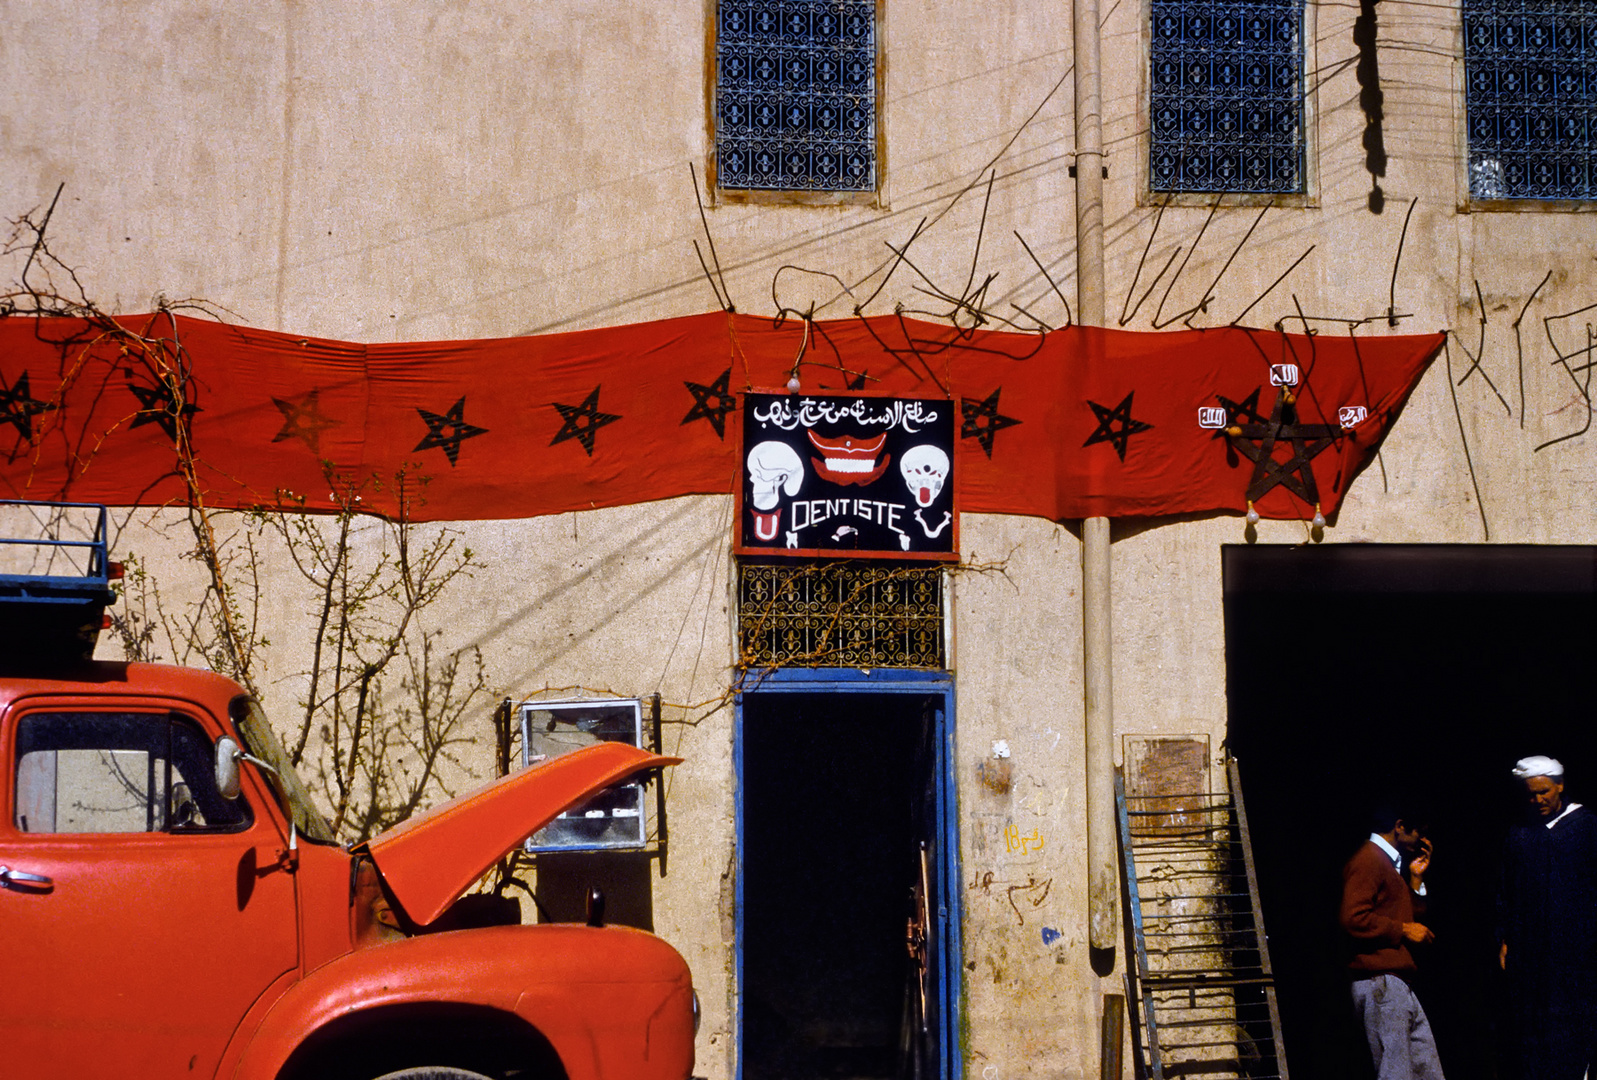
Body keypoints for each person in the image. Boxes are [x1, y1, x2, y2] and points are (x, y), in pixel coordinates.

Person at [1497, 755, 1597, 1080]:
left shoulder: (1584, 827)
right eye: (1530, 794)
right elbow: (1507, 890)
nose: (1538, 800)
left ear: (1560, 787)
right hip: (1532, 949)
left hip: (1576, 947)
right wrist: (1505, 938)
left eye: (1544, 792)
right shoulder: (1521, 834)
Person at [1340, 801, 1445, 1080]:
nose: (1422, 840)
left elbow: (1410, 917)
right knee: (1395, 1073)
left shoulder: (1387, 864)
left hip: (1396, 982)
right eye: (1418, 832)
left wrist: (1415, 879)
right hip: (1380, 982)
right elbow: (1353, 918)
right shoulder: (1369, 859)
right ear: (1399, 827)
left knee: (1427, 1072)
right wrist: (1402, 930)